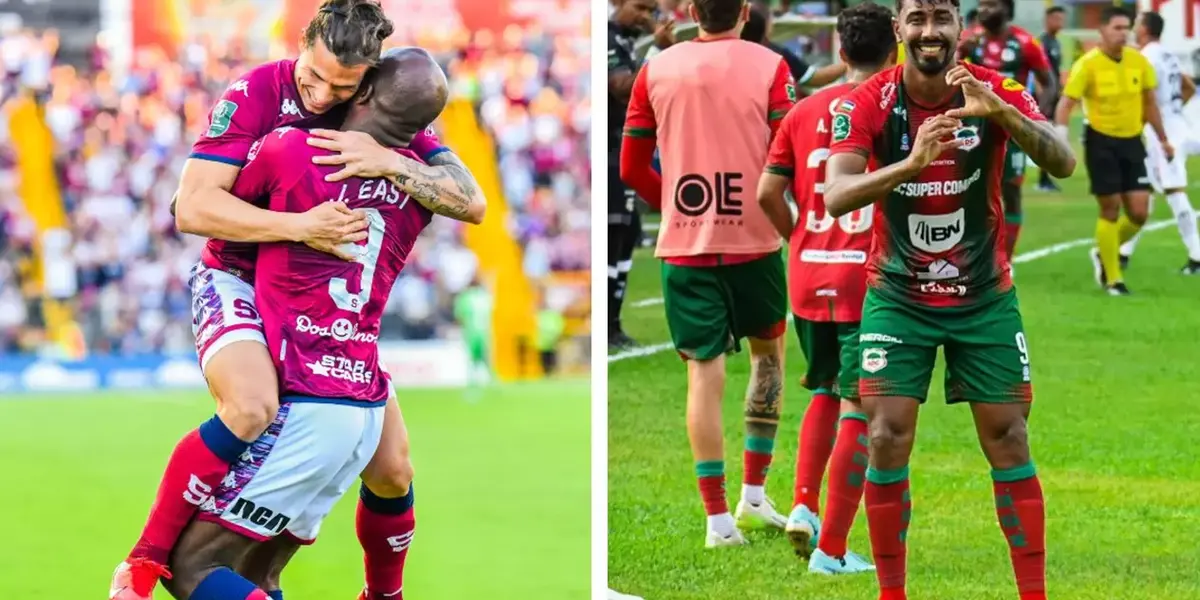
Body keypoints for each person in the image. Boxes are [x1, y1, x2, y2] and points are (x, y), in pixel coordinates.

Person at [108, 2, 486, 598]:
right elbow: (192, 209)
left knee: (392, 471)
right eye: (313, 77)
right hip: (236, 273)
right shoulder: (258, 92)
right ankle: (142, 560)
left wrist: (387, 159)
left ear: (368, 83)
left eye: (342, 86)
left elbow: (472, 202)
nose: (320, 95)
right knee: (252, 406)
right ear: (302, 46)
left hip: (309, 299)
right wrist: (299, 226)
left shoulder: (382, 109)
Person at [823, 0, 1076, 596]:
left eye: (941, 17)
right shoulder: (866, 102)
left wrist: (1003, 117)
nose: (929, 31)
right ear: (898, 29)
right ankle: (893, 592)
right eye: (917, 18)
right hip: (898, 294)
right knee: (884, 435)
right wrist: (910, 164)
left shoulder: (996, 87)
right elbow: (836, 195)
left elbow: (1062, 161)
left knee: (1009, 435)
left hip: (983, 294)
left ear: (959, 28)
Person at [620, 0, 794, 547]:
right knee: (769, 358)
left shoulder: (656, 68)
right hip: (756, 238)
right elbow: (789, 154)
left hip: (686, 243)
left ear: (692, 10)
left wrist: (672, 206)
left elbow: (630, 167)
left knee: (704, 375)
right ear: (745, 10)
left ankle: (718, 520)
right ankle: (754, 496)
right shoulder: (771, 65)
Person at [756, 1, 893, 576]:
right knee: (861, 404)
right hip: (866, 273)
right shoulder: (890, 111)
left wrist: (801, 238)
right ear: (895, 51)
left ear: (839, 50)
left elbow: (768, 192)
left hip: (809, 270)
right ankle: (831, 552)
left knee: (824, 390)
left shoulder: (804, 109)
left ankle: (805, 506)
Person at [1055, 5, 1171, 296]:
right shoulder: (1088, 64)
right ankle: (1114, 279)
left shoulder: (1138, 62)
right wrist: (1060, 136)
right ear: (1102, 31)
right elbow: (1066, 103)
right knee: (1110, 208)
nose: (1123, 33)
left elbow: (1150, 104)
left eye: (1126, 28)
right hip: (1100, 141)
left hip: (1132, 142)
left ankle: (1103, 251)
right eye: (1117, 28)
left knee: (1140, 213)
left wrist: (1164, 139)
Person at [963, 0, 1054, 262]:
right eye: (981, 5)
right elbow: (941, 74)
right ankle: (971, 255)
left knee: (1011, 192)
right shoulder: (969, 40)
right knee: (969, 188)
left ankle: (1007, 260)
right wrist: (959, 53)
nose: (984, 10)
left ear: (1006, 8)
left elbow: (1049, 83)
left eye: (991, 4)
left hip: (1012, 126)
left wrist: (1036, 117)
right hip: (974, 126)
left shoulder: (1025, 43)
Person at [608, 0, 671, 351]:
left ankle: (613, 325)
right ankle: (609, 327)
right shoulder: (607, 37)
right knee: (615, 235)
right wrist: (656, 56)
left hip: (619, 151)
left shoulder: (625, 40)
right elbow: (621, 87)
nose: (646, 17)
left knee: (627, 233)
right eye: (641, 8)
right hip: (609, 154)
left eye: (652, 11)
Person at [1118, 11, 1200, 275]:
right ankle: (1123, 253)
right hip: (1172, 124)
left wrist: (1157, 119)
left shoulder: (1146, 57)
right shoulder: (1166, 54)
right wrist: (1173, 109)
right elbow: (1187, 86)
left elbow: (1146, 97)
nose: (1133, 28)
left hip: (1162, 131)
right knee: (1147, 189)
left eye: (1137, 24)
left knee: (1175, 191)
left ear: (1145, 29)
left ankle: (1197, 256)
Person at [743, 1, 847, 89]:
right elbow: (814, 78)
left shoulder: (727, 52)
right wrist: (849, 62)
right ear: (766, 25)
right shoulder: (777, 56)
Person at [1037, 6, 1066, 192]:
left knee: (1051, 138)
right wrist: (1042, 99)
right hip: (1045, 99)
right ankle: (1043, 179)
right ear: (1047, 20)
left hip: (1055, 97)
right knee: (1045, 138)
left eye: (1062, 19)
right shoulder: (1042, 43)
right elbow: (1038, 73)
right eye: (1056, 19)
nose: (1060, 23)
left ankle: (1045, 177)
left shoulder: (1056, 42)